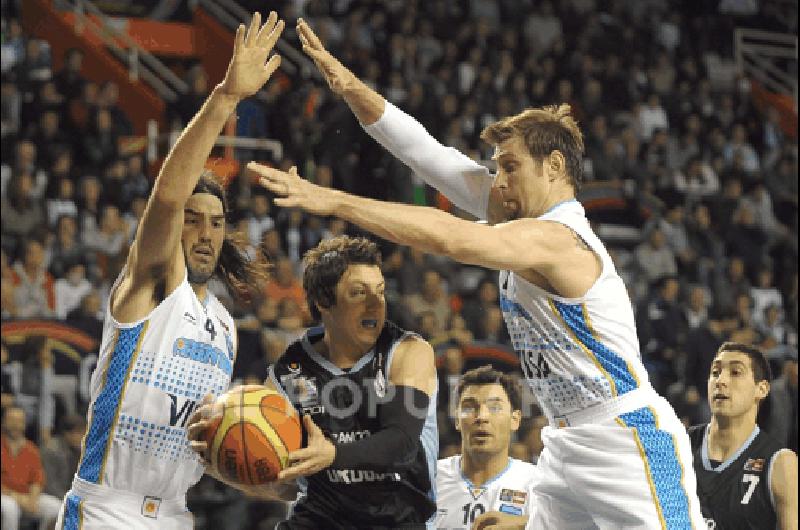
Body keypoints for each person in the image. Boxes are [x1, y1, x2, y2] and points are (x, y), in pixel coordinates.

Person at [247, 19, 707, 528]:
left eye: (510, 168)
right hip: (564, 444)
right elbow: (428, 155)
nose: (498, 181)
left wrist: (334, 200)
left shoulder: (557, 239)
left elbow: (449, 236)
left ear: (554, 166)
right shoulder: (519, 218)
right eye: (496, 168)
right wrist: (353, 88)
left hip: (624, 438)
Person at [53, 11, 283, 529]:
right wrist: (225, 98)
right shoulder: (154, 284)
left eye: (217, 223)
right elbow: (167, 199)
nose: (205, 232)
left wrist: (276, 475)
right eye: (193, 220)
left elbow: (207, 447)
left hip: (177, 516)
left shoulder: (224, 328)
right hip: (107, 509)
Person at [188, 235, 439, 529]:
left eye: (380, 291)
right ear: (323, 301)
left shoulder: (407, 351)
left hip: (397, 520)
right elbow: (284, 484)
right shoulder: (287, 374)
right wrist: (220, 462)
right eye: (359, 292)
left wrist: (332, 455)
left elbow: (402, 444)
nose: (375, 304)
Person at [688, 342, 798, 529]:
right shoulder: (680, 444)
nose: (720, 381)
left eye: (735, 372)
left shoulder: (780, 462)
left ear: (761, 389)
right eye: (715, 372)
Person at [436, 366, 538, 530]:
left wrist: (526, 525)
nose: (481, 417)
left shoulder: (537, 484)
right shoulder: (430, 480)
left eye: (495, 408)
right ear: (456, 420)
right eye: (469, 407)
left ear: (515, 419)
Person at [1, 406, 62, 530]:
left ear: (24, 424)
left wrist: (32, 500)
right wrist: (18, 497)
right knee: (10, 509)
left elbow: (37, 479)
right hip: (5, 496)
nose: (15, 425)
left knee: (56, 507)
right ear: (3, 422)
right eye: (11, 420)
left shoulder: (31, 449)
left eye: (19, 421)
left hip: (27, 496)